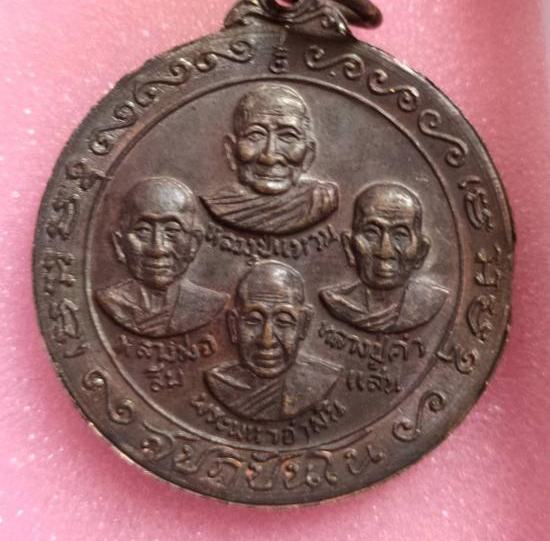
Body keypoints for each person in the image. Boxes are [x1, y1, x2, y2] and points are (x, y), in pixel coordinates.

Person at [206, 261, 341, 421]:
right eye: (253, 320)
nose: (267, 341)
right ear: (234, 325)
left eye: (283, 322)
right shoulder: (219, 382)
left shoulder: (320, 380)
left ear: (303, 325)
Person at [95, 177, 228, 338]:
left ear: (194, 243)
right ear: (119, 244)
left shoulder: (208, 305)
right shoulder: (110, 301)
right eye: (143, 230)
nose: (157, 249)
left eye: (172, 230)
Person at [201, 84, 338, 234]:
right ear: (230, 150)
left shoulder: (320, 201)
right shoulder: (219, 205)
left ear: (309, 154)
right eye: (255, 135)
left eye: (288, 136)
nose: (269, 157)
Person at [320, 183, 448, 334]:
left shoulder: (429, 303)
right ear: (349, 247)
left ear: (421, 252)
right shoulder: (337, 302)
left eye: (400, 235)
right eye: (372, 233)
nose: (385, 252)